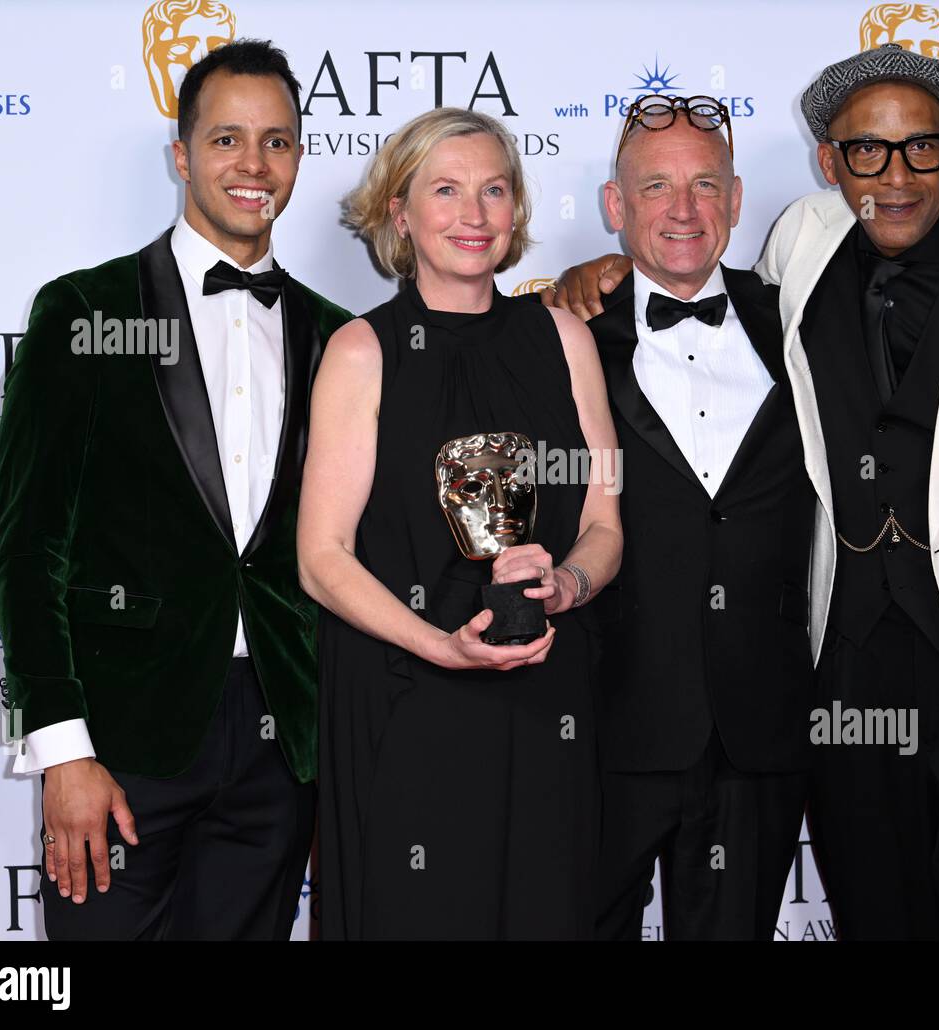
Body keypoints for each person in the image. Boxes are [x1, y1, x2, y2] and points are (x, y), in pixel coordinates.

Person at [551, 45, 939, 940]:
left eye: (921, 148)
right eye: (867, 153)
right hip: (845, 668)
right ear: (830, 163)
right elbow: (688, 280)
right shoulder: (802, 240)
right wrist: (593, 275)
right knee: (880, 913)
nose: (896, 175)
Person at [0, 39, 353, 939]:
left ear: (300, 157)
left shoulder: (341, 338)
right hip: (120, 741)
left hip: (281, 746)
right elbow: (30, 546)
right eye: (227, 139)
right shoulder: (84, 312)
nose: (253, 165)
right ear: (182, 154)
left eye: (277, 141)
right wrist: (63, 750)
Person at [298, 106, 621, 940]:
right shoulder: (360, 352)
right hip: (412, 701)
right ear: (399, 213)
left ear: (516, 209)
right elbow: (321, 558)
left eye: (493, 190)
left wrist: (567, 584)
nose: (474, 216)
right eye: (445, 191)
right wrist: (439, 644)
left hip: (548, 696)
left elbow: (606, 520)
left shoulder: (565, 339)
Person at [542, 96, 815, 941]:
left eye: (705, 185)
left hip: (758, 732)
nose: (685, 210)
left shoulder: (804, 323)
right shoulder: (560, 335)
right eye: (655, 187)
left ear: (736, 202)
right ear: (615, 208)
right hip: (599, 724)